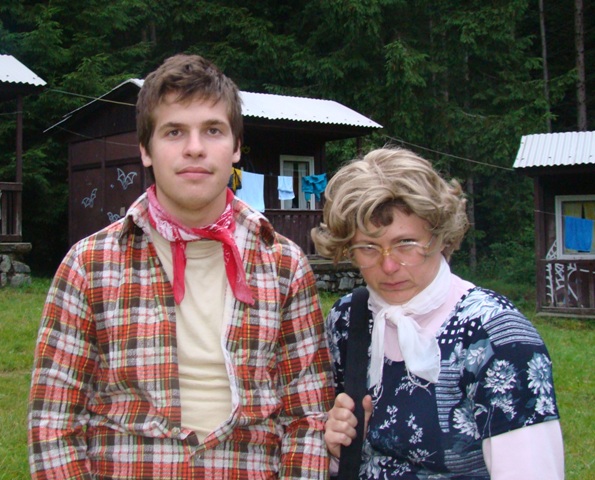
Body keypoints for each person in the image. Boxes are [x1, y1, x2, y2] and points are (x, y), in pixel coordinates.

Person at [28, 53, 334, 479]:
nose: (194, 147)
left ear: (236, 147)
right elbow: (53, 422)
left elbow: (308, 416)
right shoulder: (88, 265)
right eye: (174, 132)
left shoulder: (285, 265)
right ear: (145, 150)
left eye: (213, 130)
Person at [311, 147, 564, 479]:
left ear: (440, 237)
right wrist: (337, 450)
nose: (389, 265)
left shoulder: (495, 336)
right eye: (368, 247)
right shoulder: (348, 320)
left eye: (406, 243)